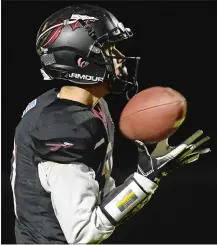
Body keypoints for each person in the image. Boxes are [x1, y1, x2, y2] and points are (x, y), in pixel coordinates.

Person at [10, 4, 211, 244]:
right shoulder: (64, 128)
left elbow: (100, 199)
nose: (120, 57)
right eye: (109, 48)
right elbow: (84, 233)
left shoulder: (86, 107)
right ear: (82, 61)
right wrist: (146, 179)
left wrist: (145, 175)